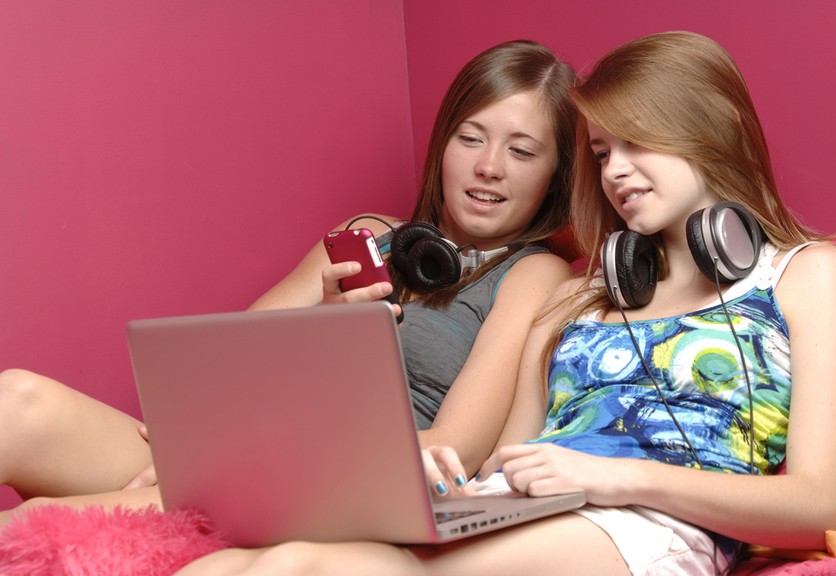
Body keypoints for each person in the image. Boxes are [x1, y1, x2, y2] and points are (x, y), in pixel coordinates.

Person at [173, 31, 836, 576]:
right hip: (515, 506)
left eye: (637, 141)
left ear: (713, 131)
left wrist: (613, 477)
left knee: (313, 570)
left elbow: (816, 503)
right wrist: (432, 485)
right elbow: (501, 456)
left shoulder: (807, 274)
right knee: (229, 566)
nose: (615, 171)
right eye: (601, 151)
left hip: (643, 528)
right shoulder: (579, 294)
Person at [0, 39, 578, 521]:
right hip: (235, 455)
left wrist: (238, 464)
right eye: (470, 138)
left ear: (556, 177)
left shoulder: (534, 273)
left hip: (343, 484)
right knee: (20, 399)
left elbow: (453, 449)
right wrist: (322, 331)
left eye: (522, 151)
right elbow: (220, 367)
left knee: (35, 522)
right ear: (444, 144)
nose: (489, 166)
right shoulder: (367, 234)